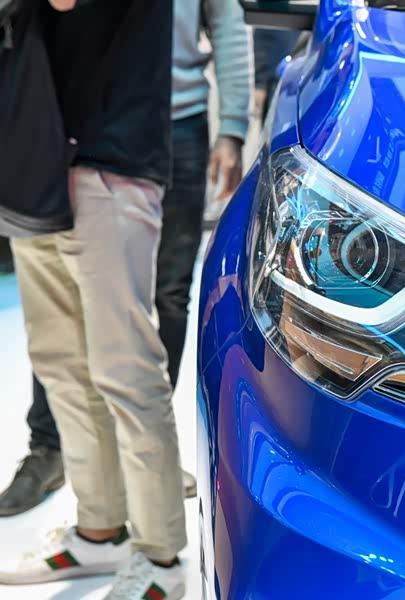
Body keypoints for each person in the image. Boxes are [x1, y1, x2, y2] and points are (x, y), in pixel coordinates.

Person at [0, 0, 251, 525]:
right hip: (59, 130)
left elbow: (226, 21)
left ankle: (152, 519)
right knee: (62, 345)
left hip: (145, 136)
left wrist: (231, 126)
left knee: (146, 328)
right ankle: (82, 493)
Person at [0, 0, 188, 596]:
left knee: (125, 371)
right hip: (38, 159)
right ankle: (98, 530)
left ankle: (161, 559)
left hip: (110, 159)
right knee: (61, 366)